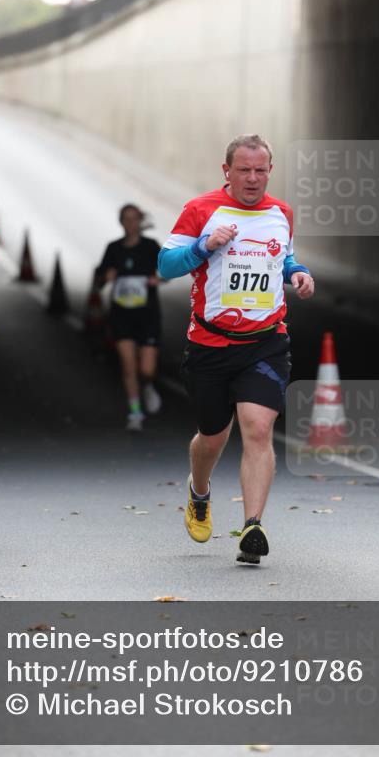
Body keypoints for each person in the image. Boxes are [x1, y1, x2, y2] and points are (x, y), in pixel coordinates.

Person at [158, 134, 314, 564]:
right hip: (209, 344)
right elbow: (166, 265)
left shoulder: (281, 213)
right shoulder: (201, 210)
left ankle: (252, 526)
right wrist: (202, 246)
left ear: (270, 171)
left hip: (265, 342)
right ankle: (200, 491)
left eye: (260, 170)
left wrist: (298, 273)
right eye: (243, 170)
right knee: (212, 436)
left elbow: (281, 258)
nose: (252, 178)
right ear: (226, 171)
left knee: (258, 429)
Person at [96, 204, 163, 431]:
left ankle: (148, 385)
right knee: (128, 366)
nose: (131, 223)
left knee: (147, 369)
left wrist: (158, 278)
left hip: (147, 315)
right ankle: (135, 412)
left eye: (135, 219)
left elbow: (166, 270)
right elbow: (99, 280)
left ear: (140, 221)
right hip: (121, 314)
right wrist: (106, 276)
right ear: (121, 222)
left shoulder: (151, 247)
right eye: (127, 219)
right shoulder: (113, 249)